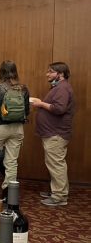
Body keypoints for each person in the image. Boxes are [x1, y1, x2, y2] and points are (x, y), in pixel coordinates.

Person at [31, 62, 75, 206]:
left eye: (50, 72)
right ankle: (57, 191)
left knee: (56, 164)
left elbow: (59, 109)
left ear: (60, 74)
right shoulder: (59, 87)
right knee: (54, 163)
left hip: (56, 134)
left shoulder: (62, 88)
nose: (47, 74)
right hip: (53, 132)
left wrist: (41, 104)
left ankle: (60, 197)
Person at [0, 61, 30, 196]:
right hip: (17, 128)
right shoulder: (23, 88)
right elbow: (26, 111)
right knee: (11, 161)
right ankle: (9, 195)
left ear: (1, 71)